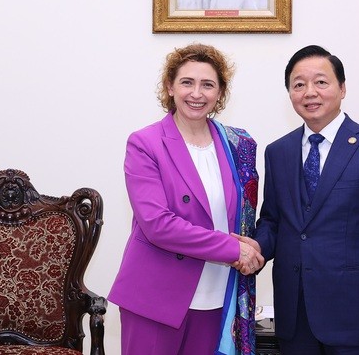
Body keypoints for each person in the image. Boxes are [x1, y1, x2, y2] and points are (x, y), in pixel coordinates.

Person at [252, 45, 359, 355]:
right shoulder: (278, 152)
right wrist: (255, 248)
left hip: (357, 316)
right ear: (290, 94)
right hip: (294, 315)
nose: (309, 92)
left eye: (321, 82)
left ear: (342, 88)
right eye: (299, 84)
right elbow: (273, 220)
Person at [108, 43, 263, 355]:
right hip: (156, 297)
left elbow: (242, 218)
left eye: (208, 84)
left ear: (220, 92)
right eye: (187, 82)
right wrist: (233, 248)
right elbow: (158, 225)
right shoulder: (145, 143)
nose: (197, 93)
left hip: (217, 294)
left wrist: (251, 244)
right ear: (170, 87)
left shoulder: (238, 144)